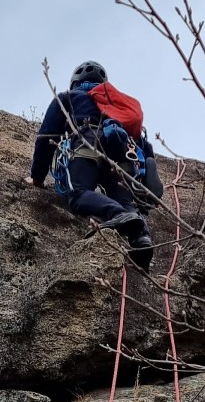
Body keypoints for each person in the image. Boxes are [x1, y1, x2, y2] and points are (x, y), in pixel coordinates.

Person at [28, 61, 160, 271]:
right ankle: (141, 238)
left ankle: (116, 215)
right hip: (123, 156)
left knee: (79, 194)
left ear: (75, 82)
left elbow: (46, 137)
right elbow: (141, 145)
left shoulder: (68, 98)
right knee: (126, 202)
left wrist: (37, 176)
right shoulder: (118, 105)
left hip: (89, 145)